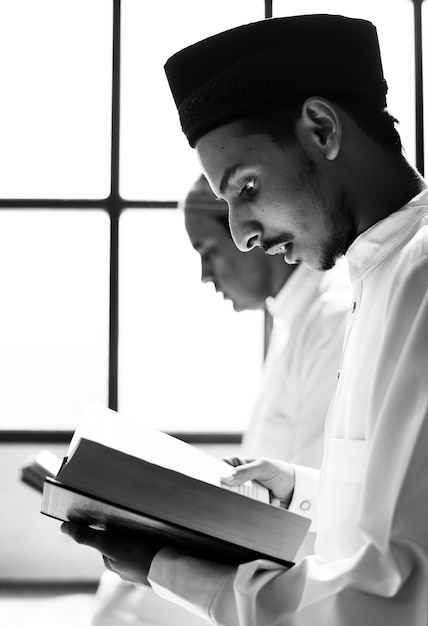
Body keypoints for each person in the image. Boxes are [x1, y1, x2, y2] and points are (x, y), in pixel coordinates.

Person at [62, 14, 428, 626]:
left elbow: (390, 599)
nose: (240, 234)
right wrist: (301, 487)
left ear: (322, 129)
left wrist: (169, 569)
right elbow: (396, 515)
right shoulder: (381, 266)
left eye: (247, 186)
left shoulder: (419, 274)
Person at [90, 172, 350, 625]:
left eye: (207, 252)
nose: (206, 274)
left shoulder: (329, 322)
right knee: (120, 582)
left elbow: (316, 514)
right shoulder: (294, 321)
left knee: (126, 600)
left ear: (247, 233)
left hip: (289, 570)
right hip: (266, 545)